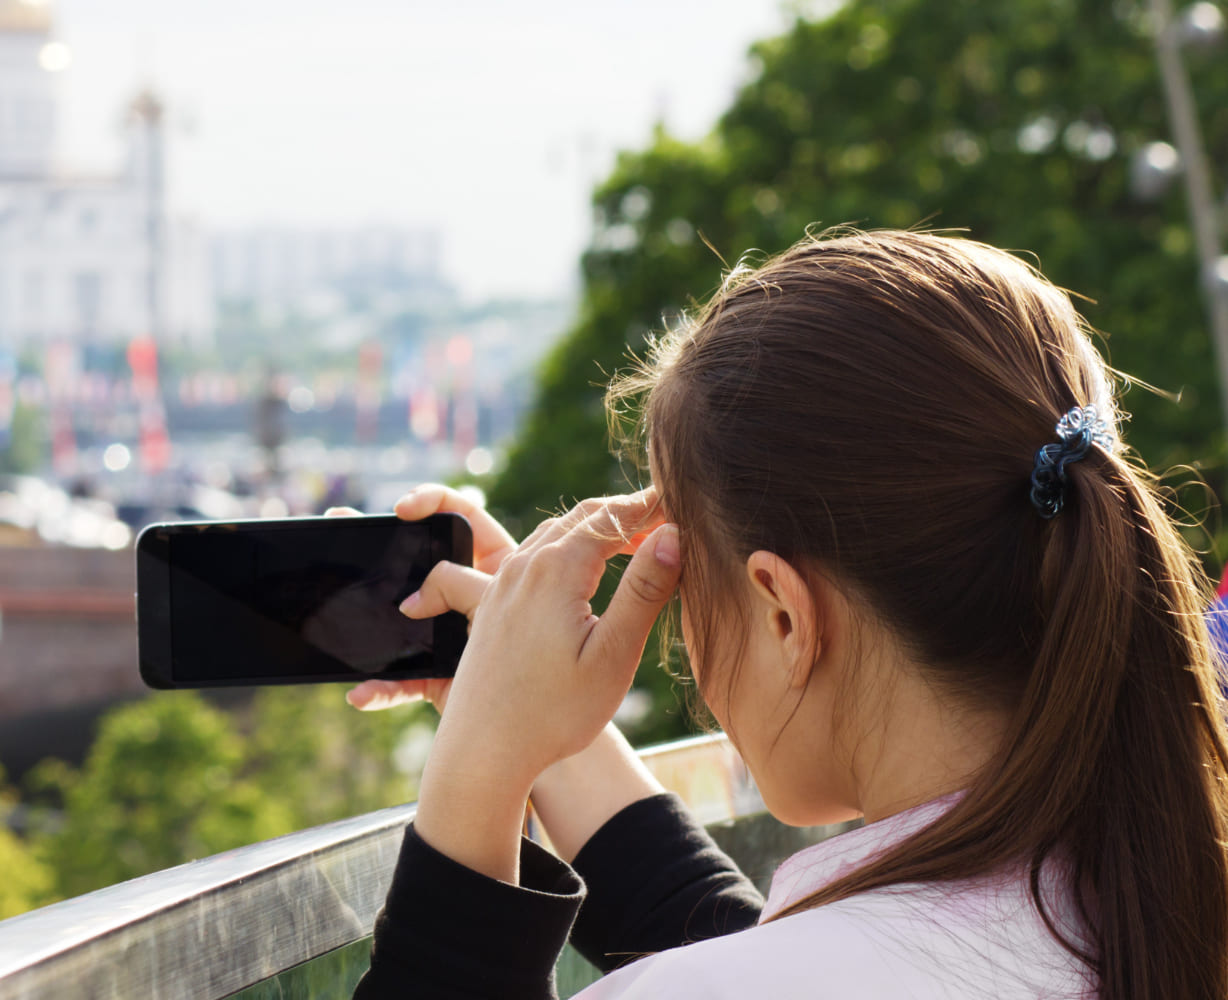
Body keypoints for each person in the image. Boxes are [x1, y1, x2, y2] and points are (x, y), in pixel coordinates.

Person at [341, 230, 1228, 1000]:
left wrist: (480, 765)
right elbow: (785, 953)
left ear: (785, 618)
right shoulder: (1159, 895)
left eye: (682, 579)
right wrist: (524, 718)